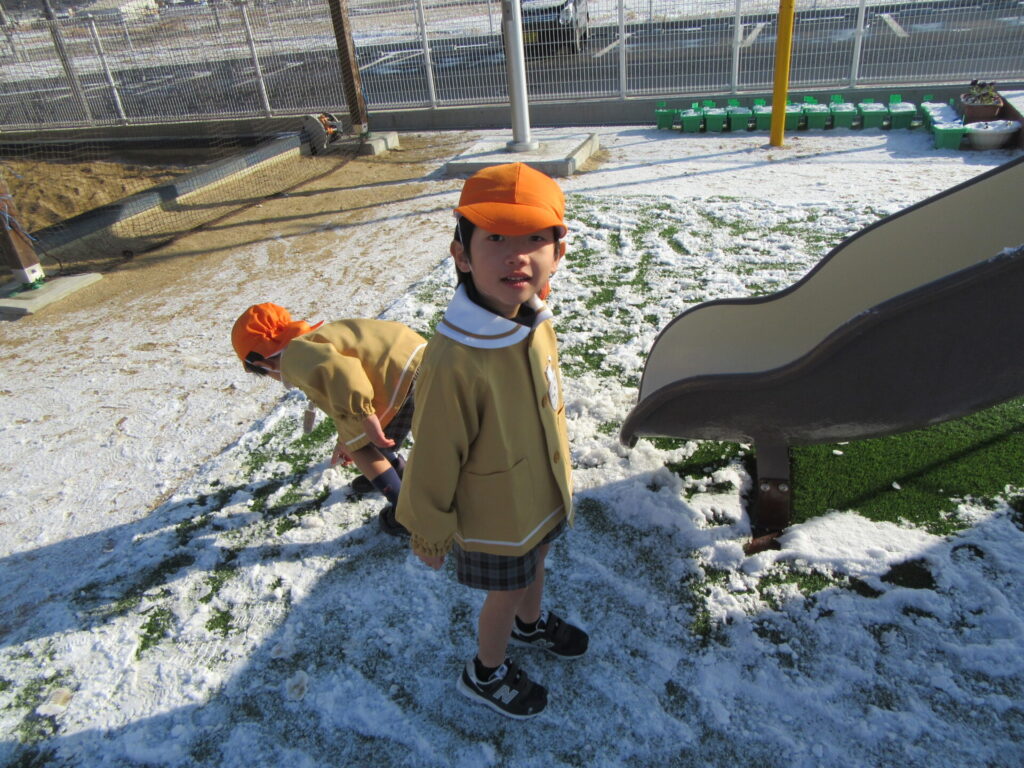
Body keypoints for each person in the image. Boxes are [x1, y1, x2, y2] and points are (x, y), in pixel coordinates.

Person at [396, 162, 588, 719]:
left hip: (542, 491)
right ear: (461, 254)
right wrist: (429, 529)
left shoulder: (534, 319)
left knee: (539, 559)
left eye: (534, 239)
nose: (516, 256)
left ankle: (531, 624)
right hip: (497, 510)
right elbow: (434, 451)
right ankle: (485, 670)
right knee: (505, 591)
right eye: (496, 238)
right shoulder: (455, 357)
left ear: (558, 252)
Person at [231, 303, 426, 536]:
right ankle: (393, 473)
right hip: (417, 360)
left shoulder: (293, 359)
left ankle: (409, 515)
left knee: (361, 448)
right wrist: (348, 436)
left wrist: (364, 415)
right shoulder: (314, 340)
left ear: (262, 365)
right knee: (358, 437)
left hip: (399, 379)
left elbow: (343, 372)